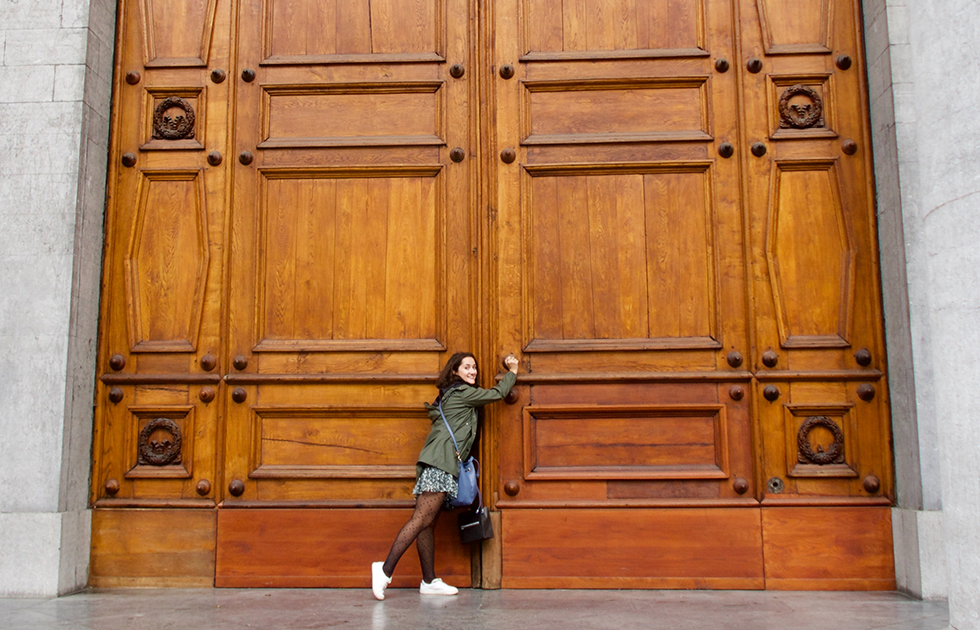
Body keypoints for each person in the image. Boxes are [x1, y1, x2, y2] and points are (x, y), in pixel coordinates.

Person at [371, 352, 519, 600]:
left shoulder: (453, 395)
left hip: (441, 463)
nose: (472, 371)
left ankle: (429, 581)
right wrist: (512, 371)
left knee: (428, 523)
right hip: (440, 463)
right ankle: (384, 570)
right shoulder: (461, 393)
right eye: (467, 367)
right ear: (455, 372)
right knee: (420, 520)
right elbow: (496, 393)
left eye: (474, 367)